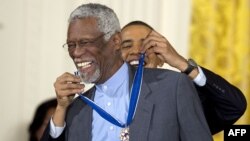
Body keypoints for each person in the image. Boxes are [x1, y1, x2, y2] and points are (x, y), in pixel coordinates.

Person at [41, 3, 213, 141]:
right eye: (71, 45)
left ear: (115, 41)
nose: (76, 53)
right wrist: (61, 109)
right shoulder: (76, 109)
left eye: (85, 42)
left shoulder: (172, 88)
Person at [121, 20, 247, 134]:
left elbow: (234, 106)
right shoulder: (102, 98)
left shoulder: (180, 99)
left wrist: (182, 63)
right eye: (126, 45)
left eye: (147, 45)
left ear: (161, 59)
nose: (137, 51)